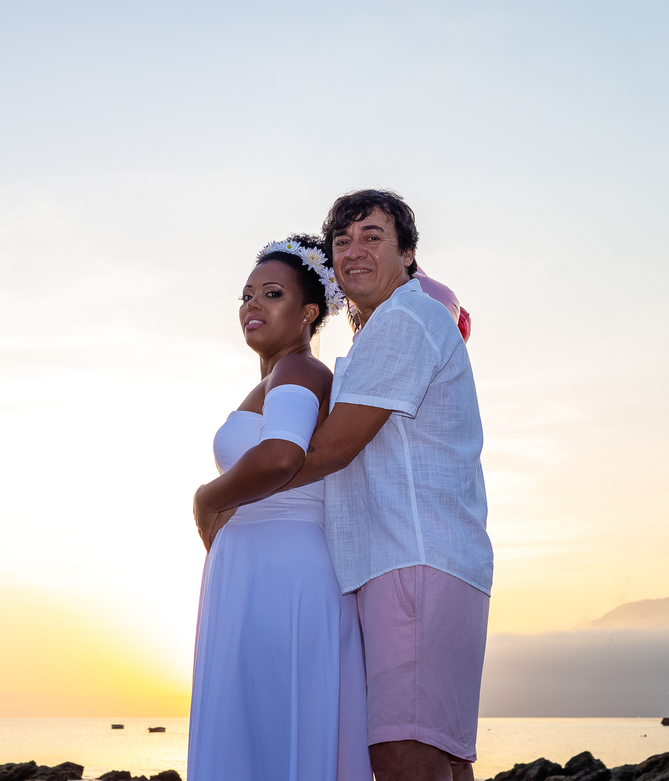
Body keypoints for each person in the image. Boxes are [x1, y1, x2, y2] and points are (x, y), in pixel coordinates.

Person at [281, 190, 493, 781]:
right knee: (437, 755)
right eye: (342, 241)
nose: (353, 252)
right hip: (421, 562)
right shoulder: (383, 333)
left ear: (407, 253)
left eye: (372, 237)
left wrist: (231, 495)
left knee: (402, 753)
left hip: (412, 560)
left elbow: (336, 447)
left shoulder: (407, 317)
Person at [189, 237, 371, 781]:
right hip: (256, 572)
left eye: (271, 294)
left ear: (308, 313)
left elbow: (282, 454)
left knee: (276, 730)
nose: (252, 305)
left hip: (282, 574)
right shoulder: (272, 379)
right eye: (246, 295)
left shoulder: (300, 371)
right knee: (260, 734)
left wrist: (206, 500)